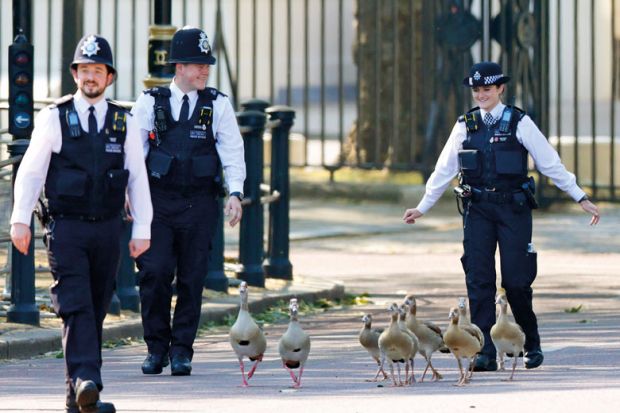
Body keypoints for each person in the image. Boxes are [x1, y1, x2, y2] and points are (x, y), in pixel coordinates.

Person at [403, 61, 600, 372]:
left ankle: (529, 341)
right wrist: (424, 205)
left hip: (513, 209)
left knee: (516, 281)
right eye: (477, 90)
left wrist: (580, 196)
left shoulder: (519, 122)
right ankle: (484, 350)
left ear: (500, 89)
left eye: (488, 89)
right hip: (477, 209)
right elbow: (445, 169)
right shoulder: (465, 124)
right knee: (479, 279)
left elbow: (550, 163)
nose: (482, 95)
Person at [10, 34, 152, 413]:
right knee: (76, 305)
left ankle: (80, 400)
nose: (91, 77)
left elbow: (137, 176)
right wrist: (20, 220)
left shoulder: (125, 120)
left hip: (107, 228)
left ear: (109, 78)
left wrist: (142, 229)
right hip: (66, 228)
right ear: (75, 74)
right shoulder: (54, 117)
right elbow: (31, 172)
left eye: (98, 71)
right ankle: (89, 379)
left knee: (97, 305)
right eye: (85, 70)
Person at [131, 26, 245, 376]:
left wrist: (236, 193)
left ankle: (182, 351)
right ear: (178, 66)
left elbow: (232, 151)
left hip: (199, 205)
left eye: (207, 64)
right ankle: (156, 348)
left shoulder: (218, 104)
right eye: (198, 64)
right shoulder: (150, 102)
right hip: (158, 205)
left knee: (193, 279)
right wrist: (129, 198)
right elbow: (134, 155)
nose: (205, 70)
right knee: (155, 274)